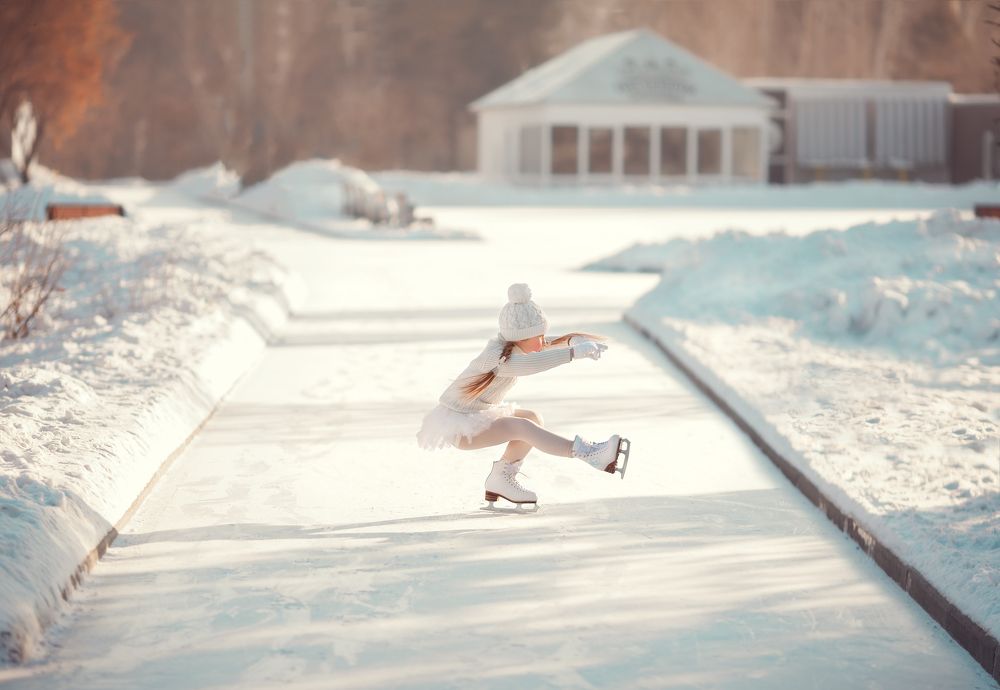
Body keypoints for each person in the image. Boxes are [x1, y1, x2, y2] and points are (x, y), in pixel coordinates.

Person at [416, 283, 628, 506]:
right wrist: (572, 353)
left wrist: (572, 340)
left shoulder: (513, 345)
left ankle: (501, 478)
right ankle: (590, 454)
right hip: (459, 425)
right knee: (522, 427)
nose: (542, 341)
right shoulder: (497, 358)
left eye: (542, 335)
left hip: (475, 415)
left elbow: (543, 345)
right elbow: (530, 364)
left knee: (532, 418)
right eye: (536, 337)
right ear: (519, 336)